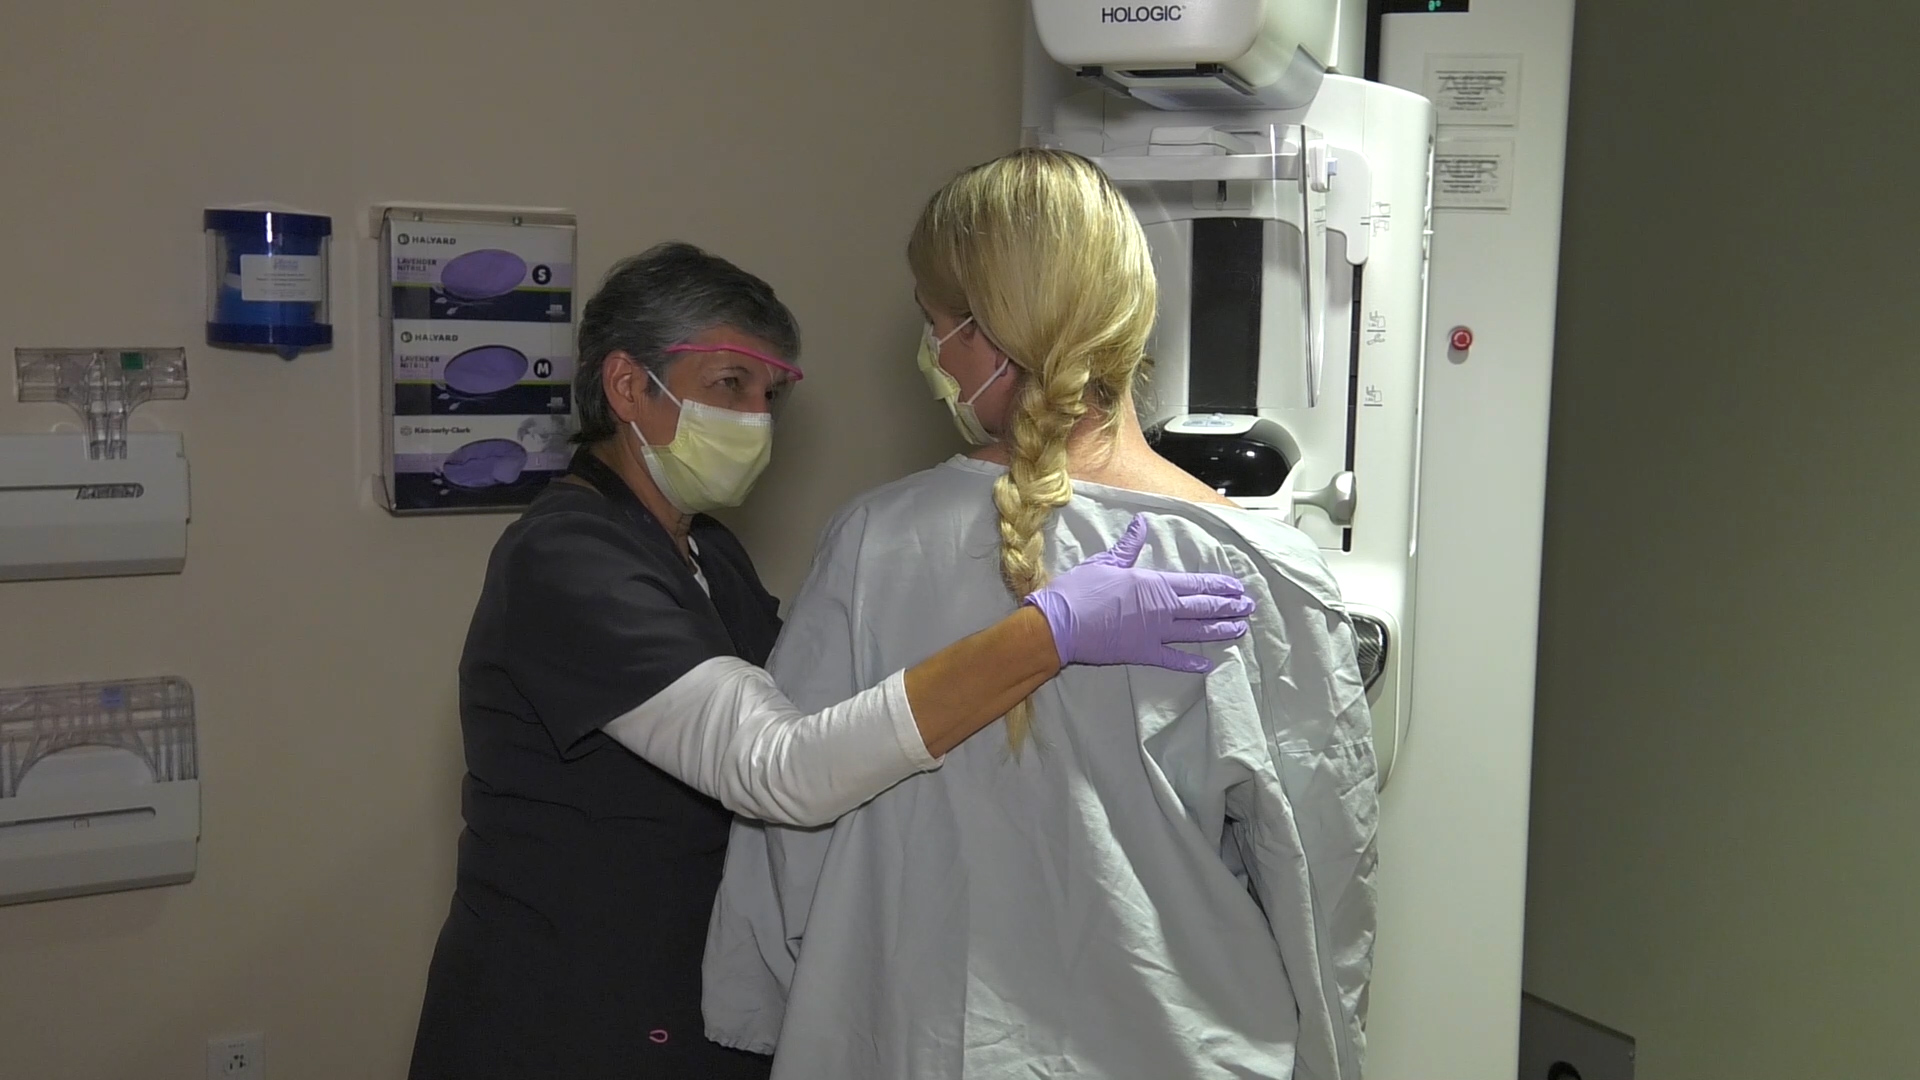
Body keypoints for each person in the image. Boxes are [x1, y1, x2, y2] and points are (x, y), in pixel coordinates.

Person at [406, 241, 1258, 1080]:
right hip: (570, 1018)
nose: (755, 418)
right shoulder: (570, 563)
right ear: (629, 386)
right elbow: (781, 766)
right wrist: (1047, 633)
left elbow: (837, 699)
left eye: (770, 392)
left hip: (678, 1005)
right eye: (729, 384)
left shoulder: (705, 554)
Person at [703, 150, 1378, 1079]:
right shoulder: (1263, 570)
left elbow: (791, 839)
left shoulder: (873, 546)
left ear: (984, 336)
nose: (932, 352)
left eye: (932, 323)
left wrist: (773, 1008)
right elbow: (1320, 881)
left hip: (913, 1043)